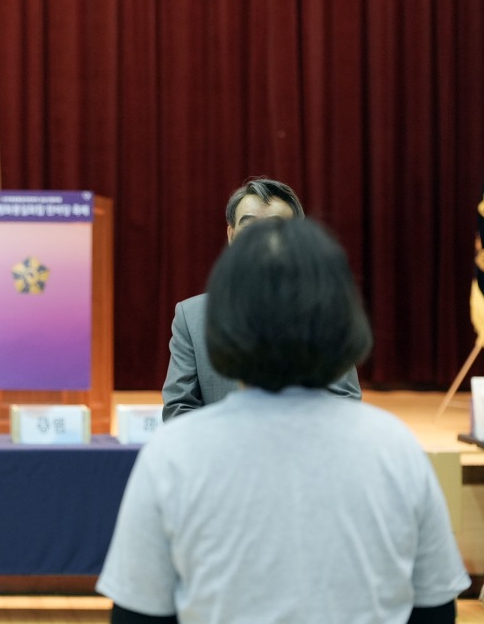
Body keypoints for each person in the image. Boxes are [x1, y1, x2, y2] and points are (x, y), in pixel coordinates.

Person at [97, 218, 469, 624]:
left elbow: (138, 615)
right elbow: (435, 609)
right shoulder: (394, 447)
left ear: (223, 319)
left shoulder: (174, 455)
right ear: (343, 315)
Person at [162, 177, 361, 421]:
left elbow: (345, 403)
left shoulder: (323, 309)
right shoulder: (192, 316)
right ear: (231, 234)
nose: (262, 238)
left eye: (276, 227)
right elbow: (179, 409)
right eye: (250, 226)